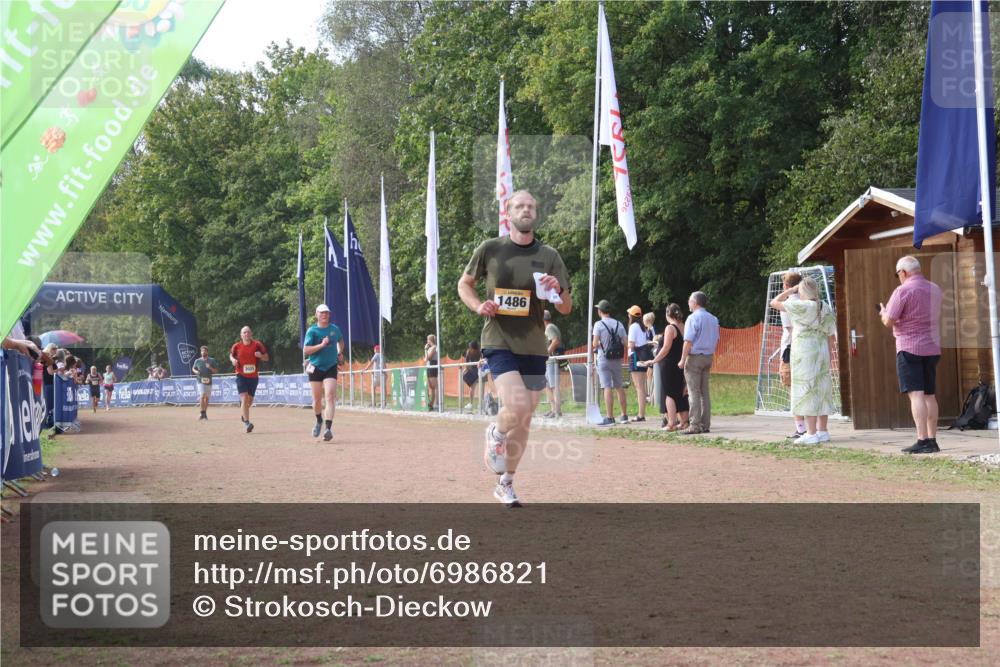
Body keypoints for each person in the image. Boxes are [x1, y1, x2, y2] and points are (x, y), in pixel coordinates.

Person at [458, 189, 572, 507]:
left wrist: (556, 292)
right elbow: (464, 284)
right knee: (518, 405)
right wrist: (479, 305)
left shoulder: (550, 256)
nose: (526, 210)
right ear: (508, 214)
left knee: (524, 419)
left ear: (536, 214)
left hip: (534, 345)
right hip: (498, 340)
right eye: (519, 205)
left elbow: (565, 307)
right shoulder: (491, 249)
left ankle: (505, 483)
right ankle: (495, 433)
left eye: (531, 206)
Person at [879, 255, 943, 454]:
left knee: (916, 394)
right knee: (930, 395)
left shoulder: (902, 290)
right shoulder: (935, 289)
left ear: (903, 272)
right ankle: (933, 440)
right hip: (932, 347)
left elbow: (889, 321)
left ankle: (921, 439)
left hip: (909, 347)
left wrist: (882, 313)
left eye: (898, 273)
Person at [771, 277, 837, 445]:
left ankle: (811, 432)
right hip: (821, 353)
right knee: (821, 391)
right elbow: (831, 335)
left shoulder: (802, 306)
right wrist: (828, 356)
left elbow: (774, 302)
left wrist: (791, 290)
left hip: (804, 354)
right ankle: (823, 431)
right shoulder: (825, 307)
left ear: (802, 290)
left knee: (806, 391)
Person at [643, 303, 690, 430]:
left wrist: (654, 361)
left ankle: (671, 423)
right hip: (680, 363)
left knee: (669, 394)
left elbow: (665, 348)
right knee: (680, 392)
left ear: (668, 314)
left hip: (669, 365)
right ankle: (684, 422)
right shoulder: (683, 326)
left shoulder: (670, 328)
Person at [678, 291, 720, 434]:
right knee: (704, 392)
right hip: (708, 356)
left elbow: (688, 340)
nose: (688, 303)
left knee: (693, 391)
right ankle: (705, 424)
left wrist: (683, 359)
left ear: (695, 302)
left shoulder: (692, 318)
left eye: (690, 301)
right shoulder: (714, 319)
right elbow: (717, 339)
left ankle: (694, 424)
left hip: (695, 357)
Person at [303, 304, 343, 441]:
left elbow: (341, 342)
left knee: (330, 396)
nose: (324, 315)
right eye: (322, 313)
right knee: (316, 401)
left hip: (331, 366)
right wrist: (321, 345)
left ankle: (328, 429)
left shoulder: (334, 329)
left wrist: (339, 352)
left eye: (326, 313)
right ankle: (319, 420)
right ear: (316, 315)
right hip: (315, 367)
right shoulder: (312, 331)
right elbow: (306, 350)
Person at [778, 271, 806, 439]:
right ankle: (810, 427)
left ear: (786, 286)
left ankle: (800, 428)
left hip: (791, 348)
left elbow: (790, 330)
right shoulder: (808, 302)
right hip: (805, 348)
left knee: (793, 388)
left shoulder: (788, 304)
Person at [592, 300, 628, 425]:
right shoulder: (619, 324)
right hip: (617, 359)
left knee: (607, 387)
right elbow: (626, 343)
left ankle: (610, 417)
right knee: (619, 386)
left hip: (604, 359)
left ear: (599, 311)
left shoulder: (598, 324)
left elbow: (594, 343)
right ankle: (624, 415)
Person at [229, 325, 269, 433]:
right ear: (241, 335)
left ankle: (243, 412)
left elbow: (266, 357)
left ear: (251, 334)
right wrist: (233, 360)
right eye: (244, 333)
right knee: (244, 398)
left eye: (248, 332)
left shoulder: (257, 345)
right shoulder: (236, 346)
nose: (246, 334)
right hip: (240, 375)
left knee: (249, 402)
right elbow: (231, 355)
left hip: (253, 377)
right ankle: (247, 423)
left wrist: (260, 355)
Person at [626, 305, 652, 422]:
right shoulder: (643, 327)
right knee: (642, 386)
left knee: (639, 387)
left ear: (631, 316)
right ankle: (641, 413)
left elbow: (631, 345)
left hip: (635, 357)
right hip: (643, 356)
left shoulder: (633, 327)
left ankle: (641, 414)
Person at [542, 310, 563, 418]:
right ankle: (553, 409)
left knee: (553, 386)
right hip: (550, 361)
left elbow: (555, 341)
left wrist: (546, 353)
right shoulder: (550, 327)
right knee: (548, 386)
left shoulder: (549, 328)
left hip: (551, 361)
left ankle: (557, 411)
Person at [191, 346, 218, 420]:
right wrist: (196, 371)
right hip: (200, 381)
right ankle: (202, 412)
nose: (203, 352)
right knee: (202, 396)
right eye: (202, 351)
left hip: (209, 381)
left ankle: (204, 414)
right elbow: (193, 368)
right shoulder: (197, 361)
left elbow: (215, 371)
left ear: (207, 352)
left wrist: (210, 368)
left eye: (204, 351)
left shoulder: (212, 360)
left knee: (207, 398)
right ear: (200, 352)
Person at [461, 341, 483, 410]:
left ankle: (480, 404)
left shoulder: (479, 352)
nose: (470, 348)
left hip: (479, 370)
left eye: (471, 347)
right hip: (473, 370)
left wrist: (480, 362)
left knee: (481, 388)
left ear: (474, 347)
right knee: (472, 388)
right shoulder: (469, 352)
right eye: (469, 347)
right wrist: (466, 369)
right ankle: (471, 403)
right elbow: (467, 362)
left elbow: (482, 359)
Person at [643, 311, 657, 403]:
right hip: (647, 353)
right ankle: (648, 393)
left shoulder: (652, 329)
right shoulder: (647, 330)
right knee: (647, 374)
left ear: (648, 320)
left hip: (652, 353)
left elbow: (655, 340)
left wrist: (648, 342)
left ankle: (650, 394)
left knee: (650, 374)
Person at [424, 334, 439, 411]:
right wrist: (425, 350)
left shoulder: (434, 347)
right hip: (429, 367)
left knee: (434, 386)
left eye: (427, 340)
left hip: (433, 366)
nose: (427, 341)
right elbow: (425, 359)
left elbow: (428, 358)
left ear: (430, 340)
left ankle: (436, 403)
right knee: (431, 387)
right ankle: (431, 403)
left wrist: (426, 350)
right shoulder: (429, 348)